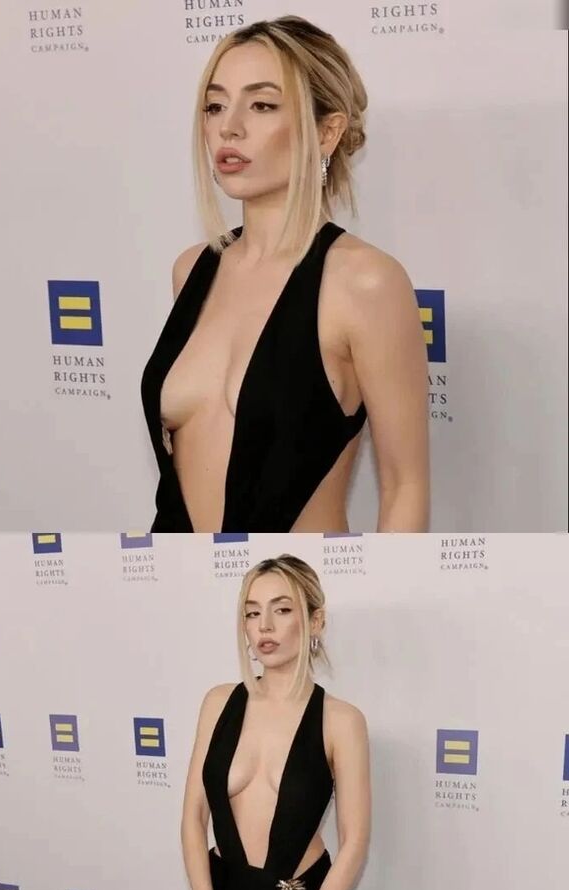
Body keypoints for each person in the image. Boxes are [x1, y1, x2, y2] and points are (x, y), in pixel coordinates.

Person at [141, 15, 429, 534]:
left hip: (303, 574)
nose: (229, 127)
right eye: (215, 105)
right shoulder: (192, 270)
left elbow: (404, 486)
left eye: (262, 105)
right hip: (174, 574)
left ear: (327, 132)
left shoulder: (364, 282)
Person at [180, 554, 380, 890]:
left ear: (316, 620)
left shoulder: (341, 721)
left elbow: (355, 842)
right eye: (252, 612)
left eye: (282, 609)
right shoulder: (217, 703)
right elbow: (193, 819)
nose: (264, 626)